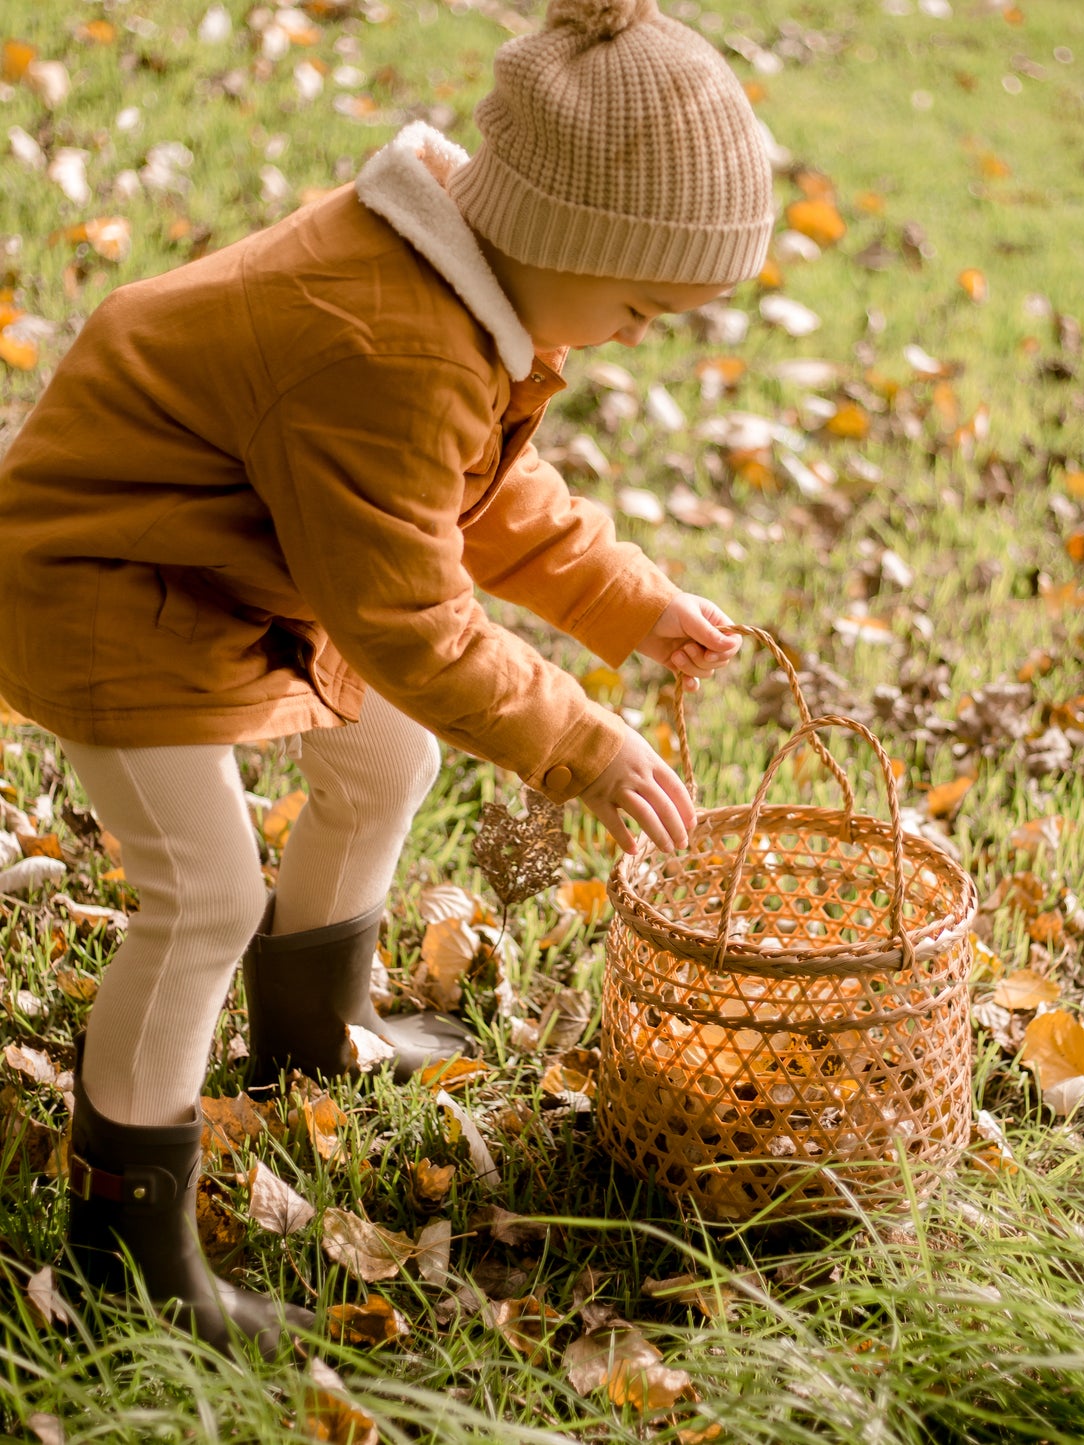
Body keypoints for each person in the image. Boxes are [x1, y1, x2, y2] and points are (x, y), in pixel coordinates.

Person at [0, 0, 773, 1356]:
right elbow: (412, 615)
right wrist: (583, 745)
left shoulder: (450, 287)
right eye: (646, 304)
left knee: (388, 750)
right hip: (102, 586)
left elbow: (475, 486)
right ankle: (124, 1246)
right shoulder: (384, 339)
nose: (644, 334)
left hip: (228, 561)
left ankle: (303, 1039)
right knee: (201, 890)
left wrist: (624, 598)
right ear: (561, 239)